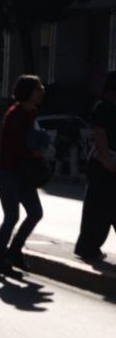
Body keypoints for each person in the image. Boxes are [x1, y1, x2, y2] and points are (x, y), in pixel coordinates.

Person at [0, 75, 48, 279]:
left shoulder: (31, 112)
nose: (42, 91)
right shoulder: (16, 114)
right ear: (29, 92)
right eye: (38, 88)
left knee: (35, 212)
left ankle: (14, 250)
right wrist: (36, 153)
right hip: (7, 172)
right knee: (11, 216)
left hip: (22, 174)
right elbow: (17, 146)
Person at [75, 71, 116, 261]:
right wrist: (107, 159)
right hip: (103, 164)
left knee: (104, 208)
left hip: (108, 164)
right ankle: (88, 247)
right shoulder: (103, 107)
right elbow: (100, 134)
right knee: (98, 209)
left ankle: (88, 246)